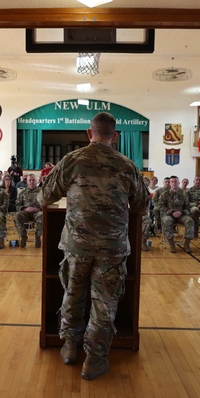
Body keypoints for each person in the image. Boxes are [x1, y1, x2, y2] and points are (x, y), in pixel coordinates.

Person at [39, 112, 148, 380]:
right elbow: (142, 205)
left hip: (77, 246)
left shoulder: (72, 161)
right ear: (115, 136)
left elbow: (43, 197)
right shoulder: (127, 165)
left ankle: (69, 347)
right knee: (104, 303)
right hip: (112, 248)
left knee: (73, 294)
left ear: (90, 133)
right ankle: (95, 359)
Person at [159, 175, 195, 253]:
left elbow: (188, 207)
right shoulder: (164, 195)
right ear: (170, 183)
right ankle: (172, 244)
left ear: (178, 183)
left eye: (176, 181)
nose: (174, 183)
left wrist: (181, 212)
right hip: (169, 215)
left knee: (190, 221)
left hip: (181, 215)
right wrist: (172, 212)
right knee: (167, 221)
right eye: (172, 182)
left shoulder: (184, 195)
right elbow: (161, 207)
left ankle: (186, 244)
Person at [14, 173, 42, 248]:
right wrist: (25, 208)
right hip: (25, 212)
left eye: (33, 180)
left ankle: (38, 237)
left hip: (37, 212)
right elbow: (17, 204)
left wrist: (38, 209)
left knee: (42, 216)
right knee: (17, 215)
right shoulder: (22, 193)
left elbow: (46, 203)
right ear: (27, 182)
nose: (32, 182)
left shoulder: (41, 192)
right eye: (30, 180)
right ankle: (23, 236)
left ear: (36, 181)